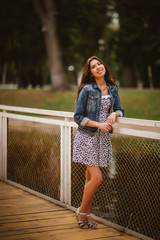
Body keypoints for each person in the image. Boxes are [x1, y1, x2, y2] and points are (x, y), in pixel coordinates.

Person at [73, 56, 124, 229]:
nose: (98, 67)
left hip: (102, 140)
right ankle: (81, 212)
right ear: (91, 72)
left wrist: (114, 114)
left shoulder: (112, 88)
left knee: (90, 180)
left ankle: (85, 216)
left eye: (99, 63)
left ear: (104, 66)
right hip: (87, 137)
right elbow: (78, 117)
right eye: (94, 66)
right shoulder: (87, 90)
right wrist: (99, 124)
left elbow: (120, 109)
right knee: (97, 178)